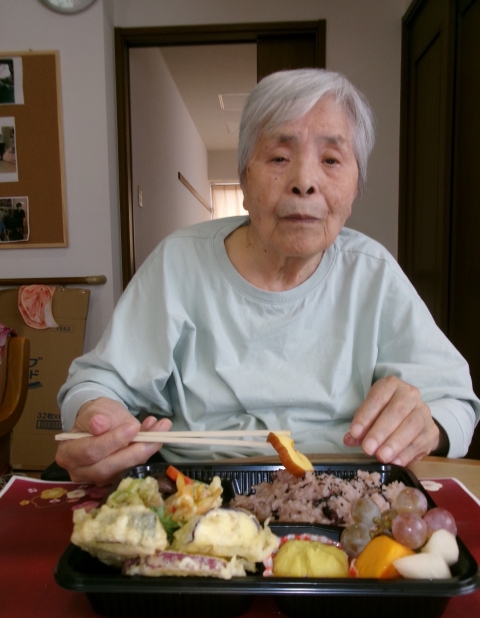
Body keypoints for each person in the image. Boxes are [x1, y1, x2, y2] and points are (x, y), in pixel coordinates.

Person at [56, 68, 480, 486]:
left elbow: (455, 401)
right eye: (279, 158)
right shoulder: (179, 263)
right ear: (244, 178)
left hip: (348, 492)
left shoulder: (372, 272)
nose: (304, 182)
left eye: (331, 160)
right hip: (198, 492)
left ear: (355, 188)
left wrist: (428, 426)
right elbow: (97, 383)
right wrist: (97, 416)